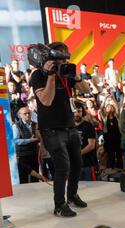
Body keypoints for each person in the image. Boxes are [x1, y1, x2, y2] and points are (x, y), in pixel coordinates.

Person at [29, 41, 90, 217]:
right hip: (51, 128)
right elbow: (46, 101)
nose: (63, 62)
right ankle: (59, 205)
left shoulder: (66, 73)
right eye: (60, 58)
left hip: (70, 125)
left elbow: (86, 89)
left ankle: (72, 196)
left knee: (77, 163)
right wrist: (50, 75)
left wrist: (75, 75)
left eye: (65, 57)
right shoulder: (38, 75)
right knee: (63, 166)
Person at [12, 106, 40, 184]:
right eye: (25, 113)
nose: (27, 115)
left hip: (34, 153)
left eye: (29, 113)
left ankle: (37, 194)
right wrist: (29, 140)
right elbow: (15, 140)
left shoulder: (35, 124)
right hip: (23, 155)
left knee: (35, 177)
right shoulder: (16, 126)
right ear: (20, 115)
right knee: (23, 178)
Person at [74, 102, 98, 181]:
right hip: (74, 165)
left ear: (82, 112)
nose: (76, 114)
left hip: (87, 163)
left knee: (90, 189)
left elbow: (91, 145)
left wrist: (77, 154)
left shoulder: (88, 126)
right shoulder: (69, 127)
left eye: (79, 111)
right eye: (74, 111)